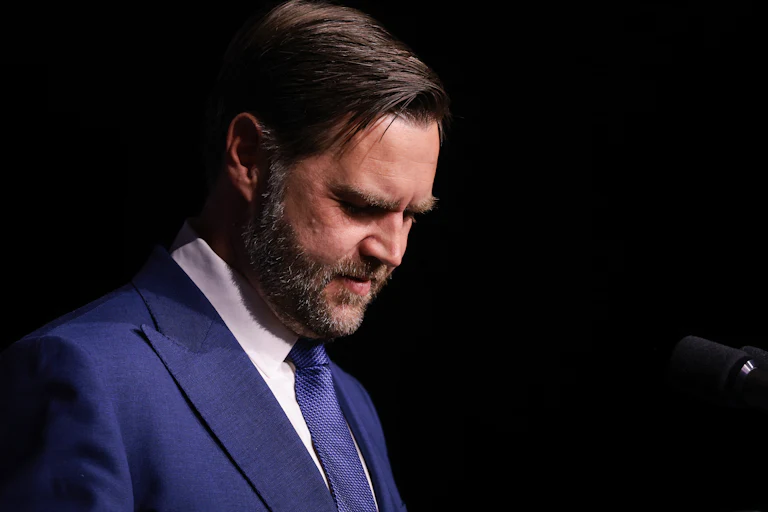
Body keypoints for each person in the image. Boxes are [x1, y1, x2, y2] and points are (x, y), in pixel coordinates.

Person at [0, 1, 450, 510]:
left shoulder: (350, 402)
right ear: (248, 156)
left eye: (411, 215)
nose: (393, 251)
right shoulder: (86, 374)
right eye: (360, 206)